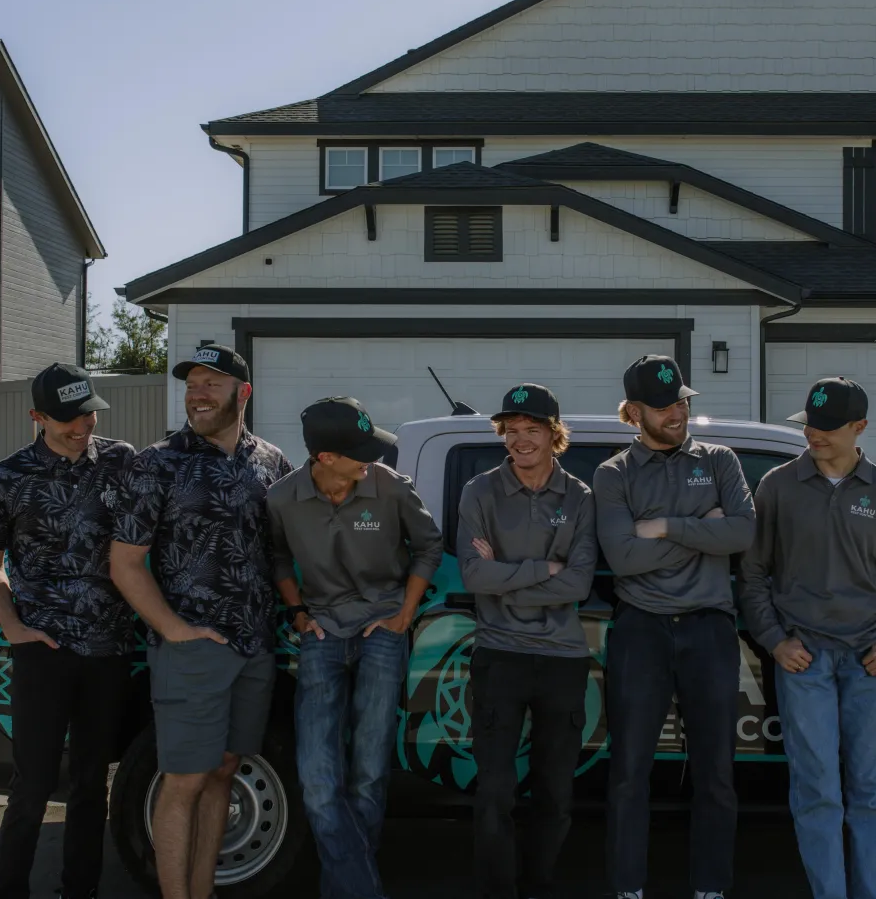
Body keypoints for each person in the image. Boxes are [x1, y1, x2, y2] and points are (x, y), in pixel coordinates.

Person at [110, 344, 292, 899]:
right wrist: (173, 630)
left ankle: (203, 890)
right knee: (184, 780)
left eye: (213, 383)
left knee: (225, 769)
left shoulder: (270, 461)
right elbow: (125, 561)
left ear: (244, 392)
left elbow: (284, 547)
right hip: (193, 647)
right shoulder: (158, 462)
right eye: (193, 384)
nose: (198, 393)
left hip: (255, 647)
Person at [739, 377, 876, 899]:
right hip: (804, 661)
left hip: (868, 660)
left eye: (826, 427)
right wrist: (775, 640)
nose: (813, 435)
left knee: (871, 792)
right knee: (817, 790)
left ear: (859, 427)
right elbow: (752, 575)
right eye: (809, 425)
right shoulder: (777, 485)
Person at [267, 396, 443, 899]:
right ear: (324, 458)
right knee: (318, 778)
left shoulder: (390, 488)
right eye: (359, 452)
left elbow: (428, 546)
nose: (372, 459)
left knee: (368, 773)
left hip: (383, 629)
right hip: (322, 630)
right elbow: (277, 557)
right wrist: (299, 613)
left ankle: (345, 890)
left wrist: (403, 615)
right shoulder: (281, 499)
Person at [594, 355, 755, 899]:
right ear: (634, 411)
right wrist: (702, 531)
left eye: (681, 401)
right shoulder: (613, 473)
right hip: (640, 628)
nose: (676, 413)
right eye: (663, 406)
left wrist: (662, 528)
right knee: (629, 771)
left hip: (709, 628)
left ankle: (711, 887)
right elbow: (621, 558)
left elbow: (742, 535)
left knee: (715, 770)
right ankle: (627, 888)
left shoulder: (720, 460)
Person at [0, 364, 135, 899]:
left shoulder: (121, 461)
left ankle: (80, 891)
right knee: (34, 785)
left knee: (93, 784)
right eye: (68, 418)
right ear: (37, 417)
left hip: (108, 648)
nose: (82, 426)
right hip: (41, 650)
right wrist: (16, 627)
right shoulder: (5, 478)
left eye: (88, 413)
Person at [457, 383, 596, 899]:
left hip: (563, 658)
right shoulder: (480, 491)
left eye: (531, 430)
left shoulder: (580, 496)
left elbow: (579, 584)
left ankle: (538, 885)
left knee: (556, 792)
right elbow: (473, 575)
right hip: (499, 654)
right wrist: (544, 569)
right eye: (511, 431)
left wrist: (506, 573)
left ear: (553, 434)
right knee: (495, 790)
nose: (520, 440)